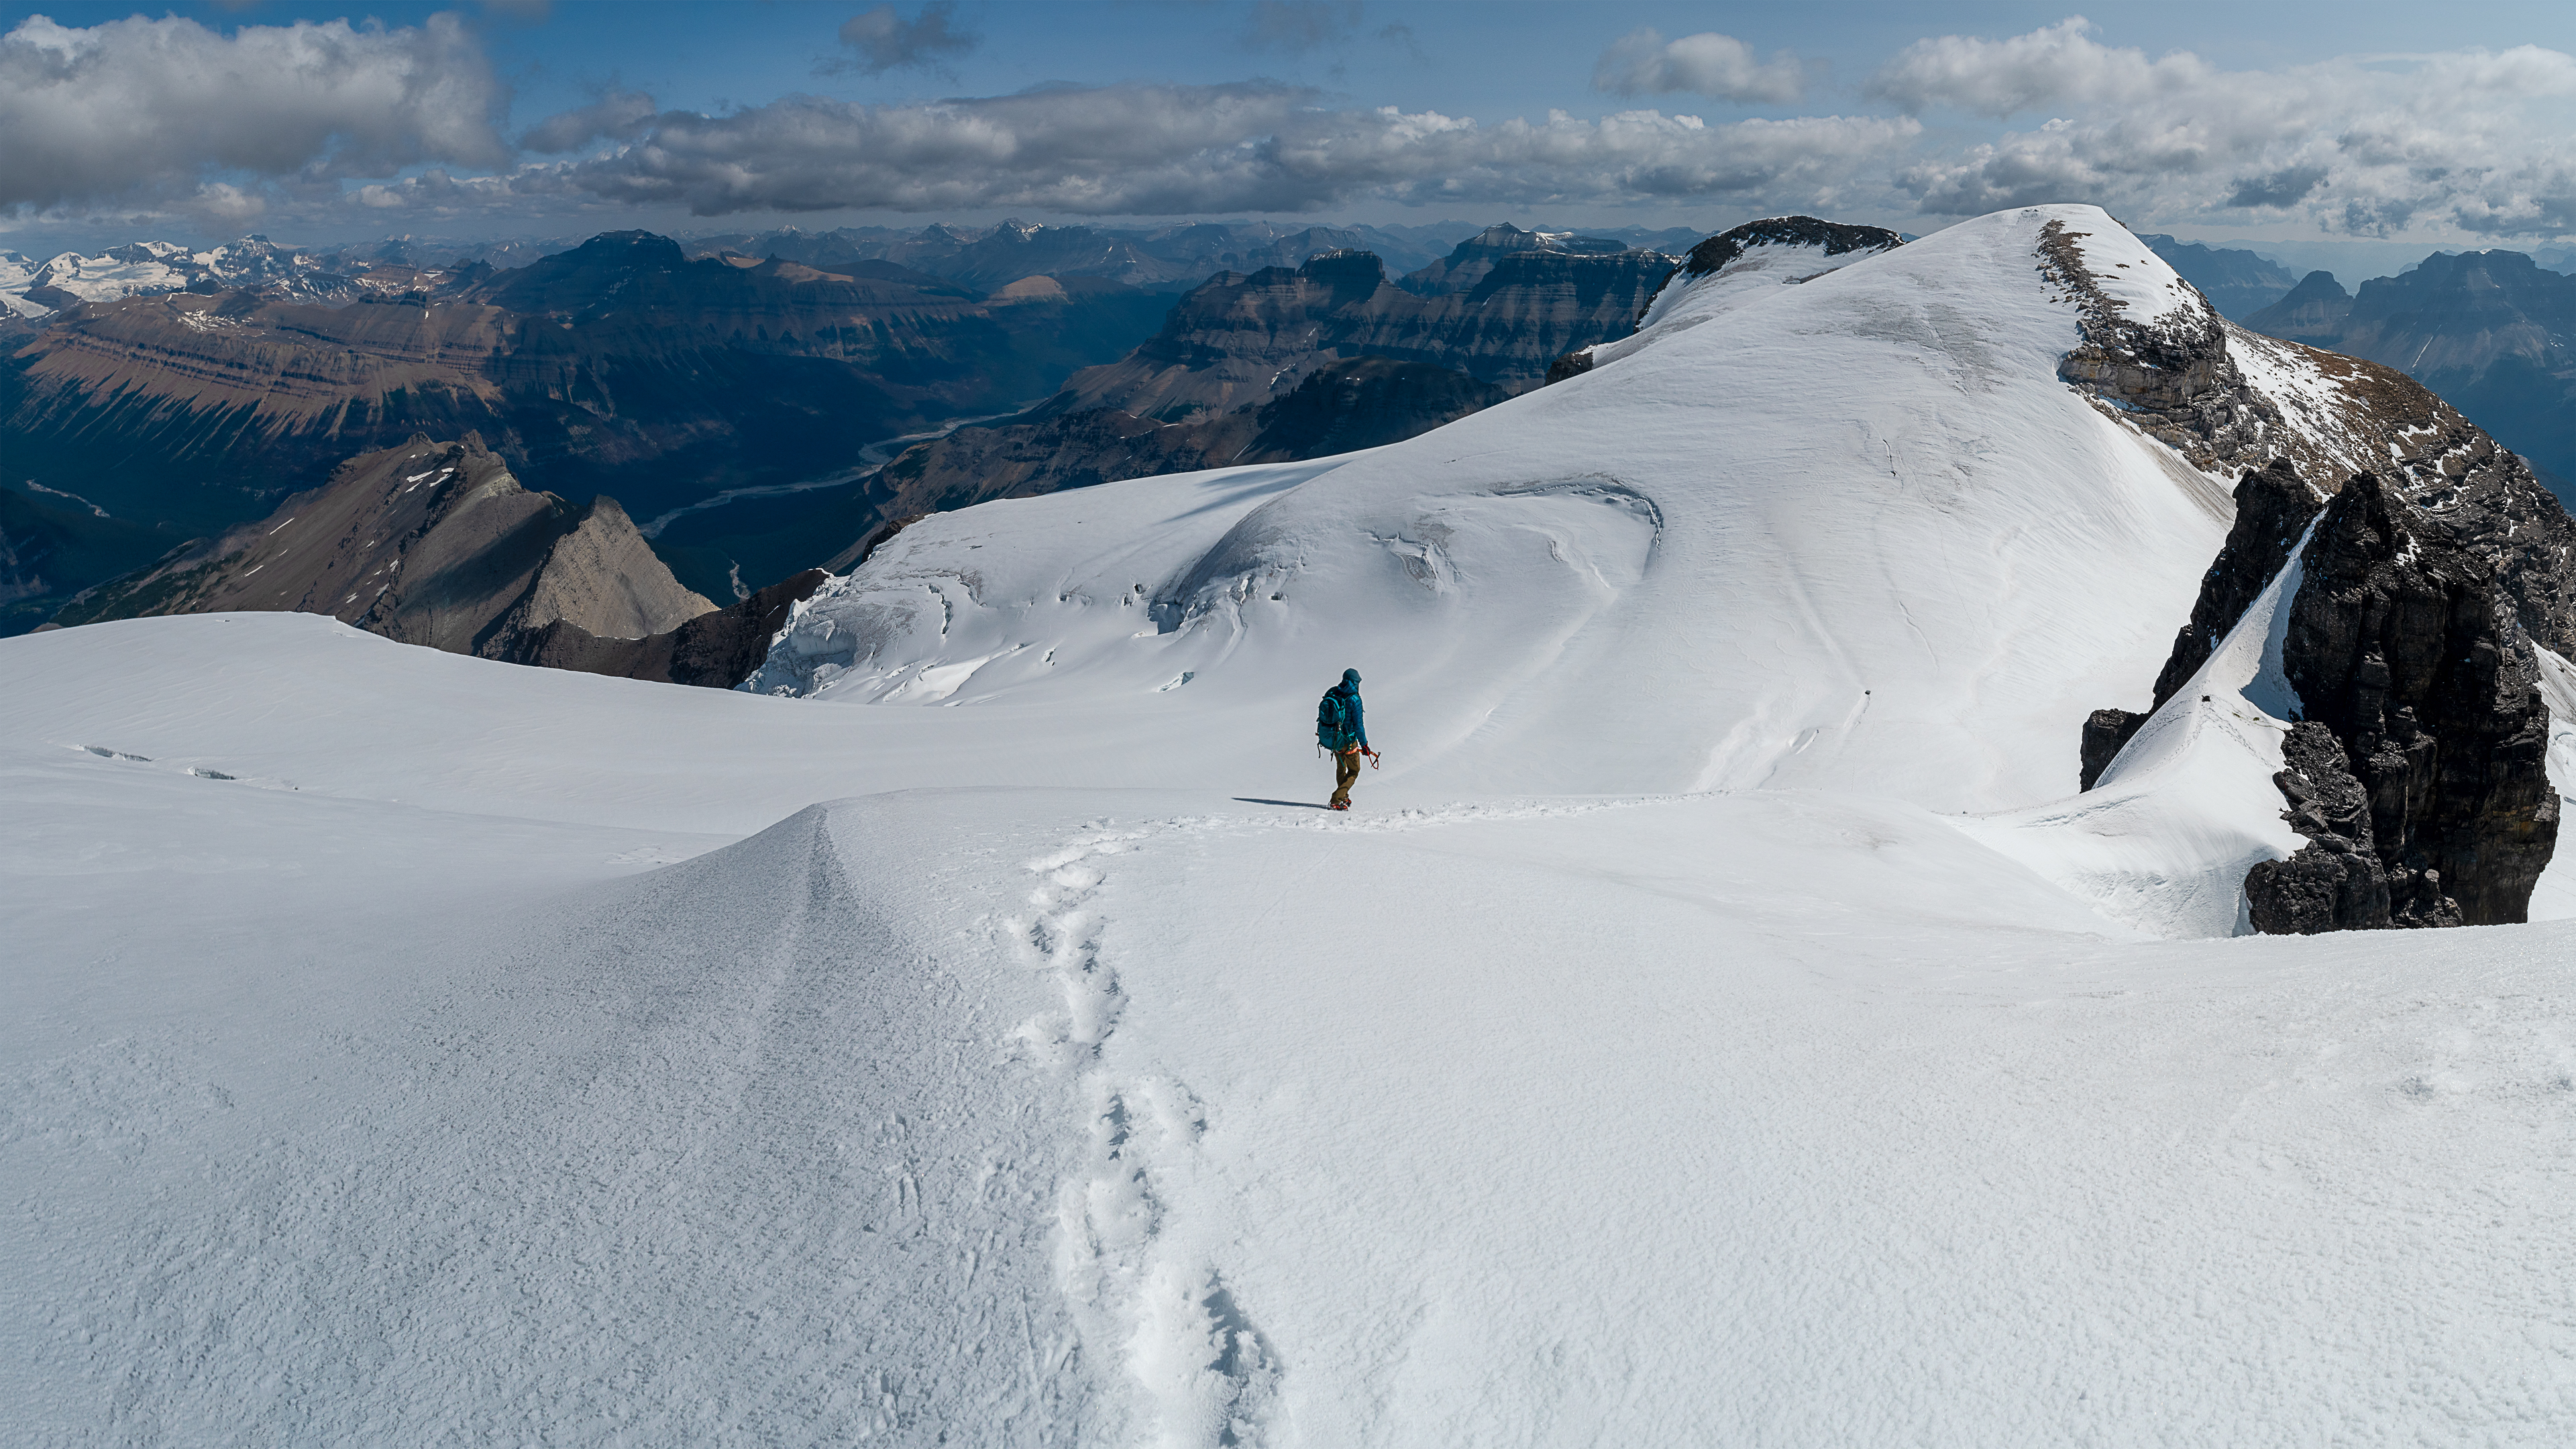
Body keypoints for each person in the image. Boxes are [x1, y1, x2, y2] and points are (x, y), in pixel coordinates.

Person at [1317, 667, 1377, 810]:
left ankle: (1344, 797)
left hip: (1335, 740)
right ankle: (1336, 799)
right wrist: (1365, 745)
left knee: (1341, 767)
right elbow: (1358, 726)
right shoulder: (1355, 699)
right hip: (1348, 741)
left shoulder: (1334, 692)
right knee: (1354, 771)